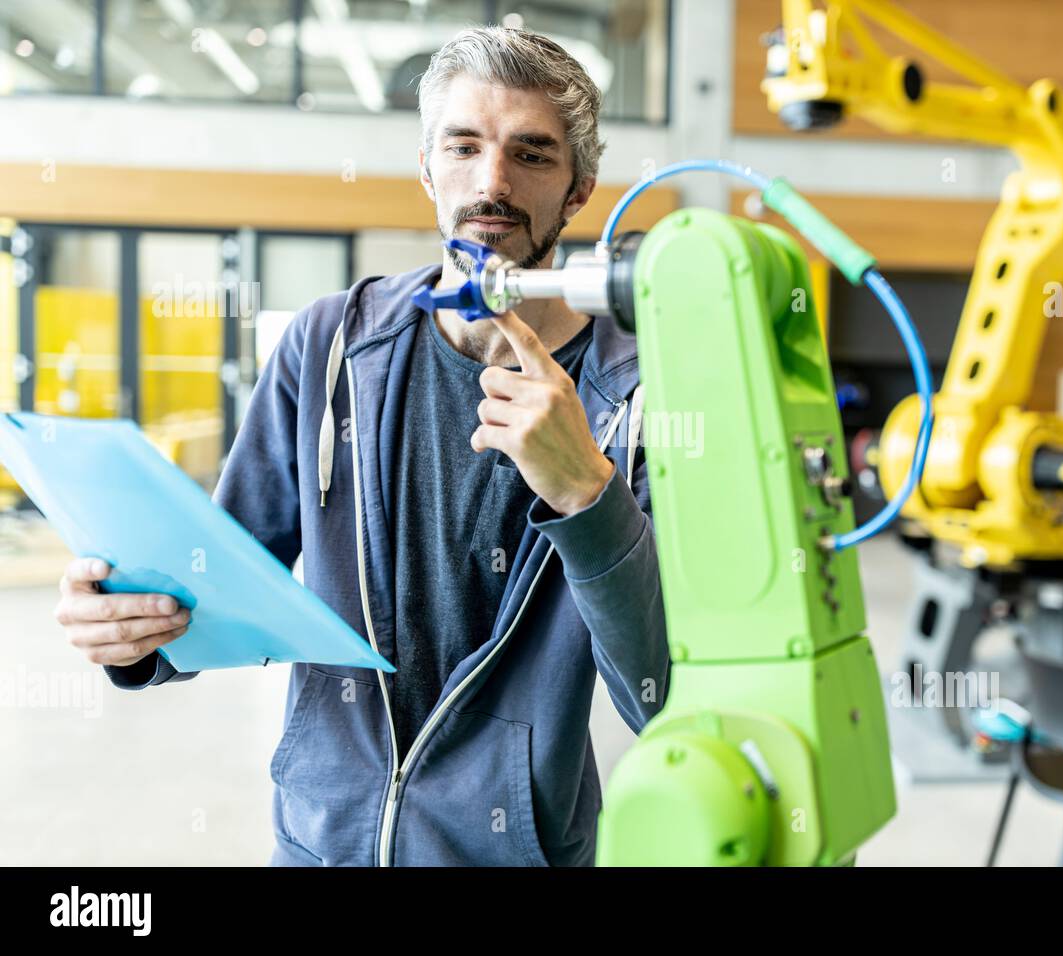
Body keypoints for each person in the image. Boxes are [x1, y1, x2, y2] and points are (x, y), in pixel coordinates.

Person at [51, 25, 669, 867]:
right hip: (321, 843)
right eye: (463, 146)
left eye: (532, 154)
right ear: (426, 167)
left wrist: (586, 493)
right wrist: (131, 626)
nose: (492, 182)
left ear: (580, 188)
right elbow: (221, 580)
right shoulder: (330, 344)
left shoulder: (632, 398)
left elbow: (657, 693)